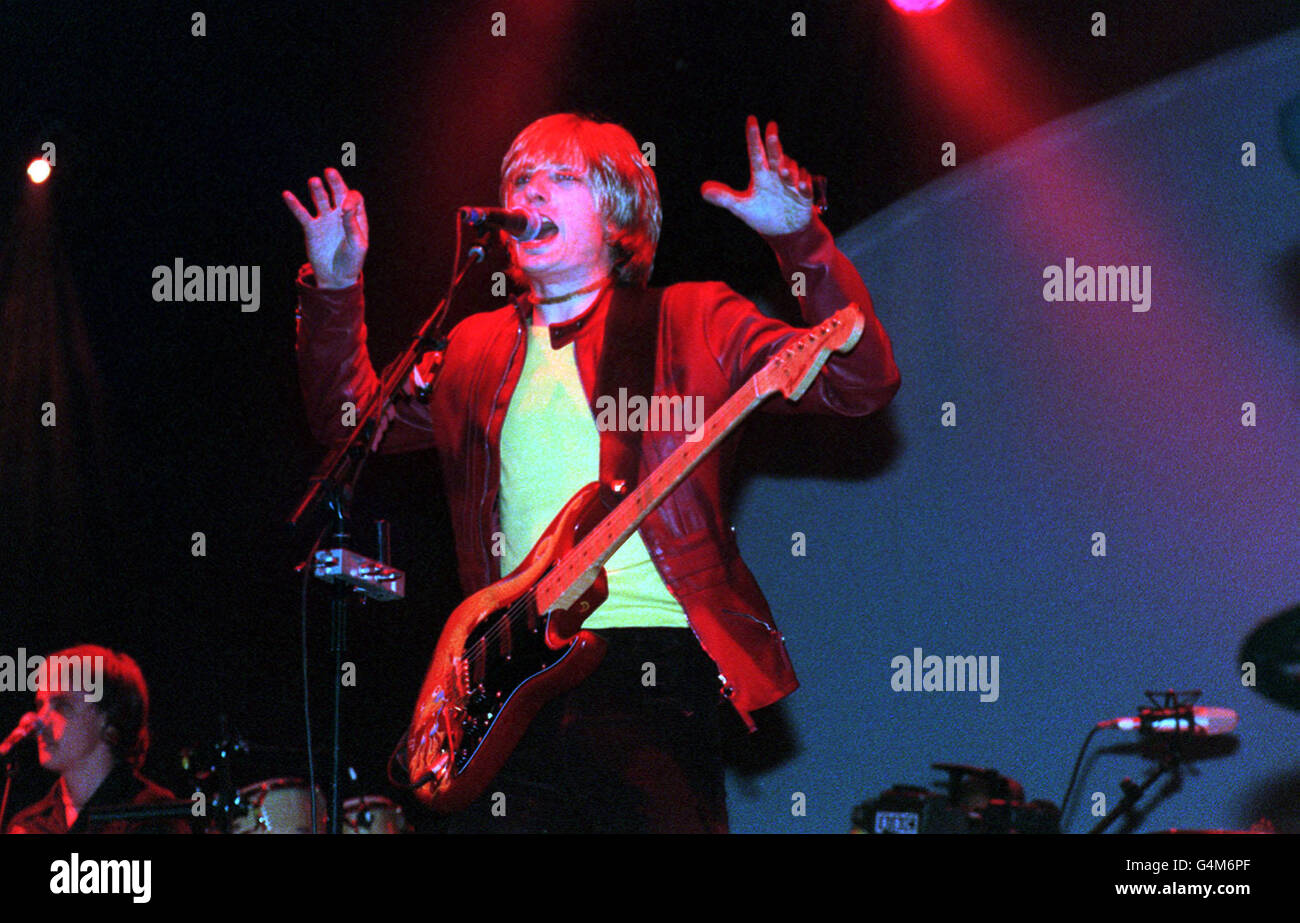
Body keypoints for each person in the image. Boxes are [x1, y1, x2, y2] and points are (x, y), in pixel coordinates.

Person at [287, 113, 899, 832]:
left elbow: (860, 380)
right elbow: (350, 422)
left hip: (649, 662)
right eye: (521, 179)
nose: (532, 192)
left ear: (618, 214)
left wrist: (802, 242)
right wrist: (334, 286)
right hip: (504, 680)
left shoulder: (692, 317)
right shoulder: (473, 347)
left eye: (561, 178)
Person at [5, 645, 186, 834]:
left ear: (110, 718)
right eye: (40, 706)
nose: (39, 720)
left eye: (62, 706)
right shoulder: (28, 825)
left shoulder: (153, 816)